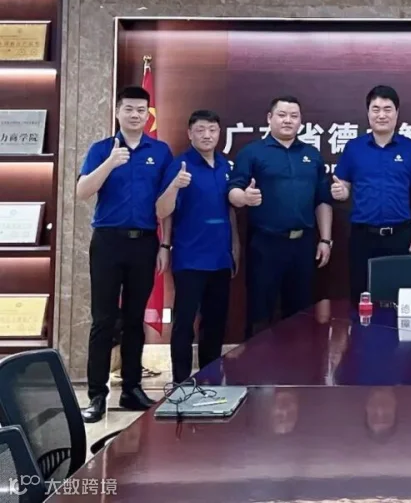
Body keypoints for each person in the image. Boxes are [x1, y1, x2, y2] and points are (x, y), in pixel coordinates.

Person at [75, 85, 173, 422]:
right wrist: (109, 164)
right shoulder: (102, 149)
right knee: (103, 320)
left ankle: (131, 388)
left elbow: (166, 205)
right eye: (128, 109)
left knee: (134, 319)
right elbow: (82, 191)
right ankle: (96, 395)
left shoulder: (160, 151)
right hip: (108, 242)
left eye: (141, 110)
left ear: (148, 115)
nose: (135, 115)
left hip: (144, 243)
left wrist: (165, 245)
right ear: (117, 112)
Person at [228, 96, 333, 338]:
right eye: (282, 115)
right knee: (260, 312)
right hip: (266, 244)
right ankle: (257, 362)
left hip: (303, 245)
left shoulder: (311, 155)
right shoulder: (252, 153)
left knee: (301, 314)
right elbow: (232, 192)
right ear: (269, 118)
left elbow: (322, 200)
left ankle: (297, 362)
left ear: (301, 121)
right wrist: (245, 197)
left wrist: (325, 239)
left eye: (294, 116)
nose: (288, 120)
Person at [156, 110, 239, 384]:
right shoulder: (179, 166)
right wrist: (174, 187)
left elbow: (230, 212)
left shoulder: (226, 166)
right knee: (184, 323)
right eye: (201, 130)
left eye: (212, 130)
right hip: (190, 257)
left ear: (219, 133)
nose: (207, 135)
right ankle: (180, 381)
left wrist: (234, 247)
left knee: (215, 323)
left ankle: (210, 377)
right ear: (190, 133)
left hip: (220, 258)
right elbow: (161, 210)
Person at [331, 85, 411, 302]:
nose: (381, 115)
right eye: (375, 109)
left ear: (397, 113)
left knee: (400, 299)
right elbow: (343, 188)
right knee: (362, 298)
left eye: (387, 109)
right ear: (368, 113)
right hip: (363, 236)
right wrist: (340, 192)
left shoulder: (410, 148)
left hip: (400, 236)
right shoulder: (354, 148)